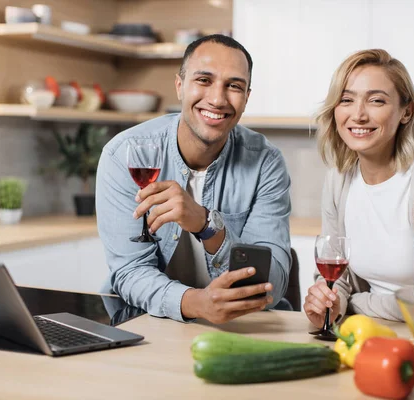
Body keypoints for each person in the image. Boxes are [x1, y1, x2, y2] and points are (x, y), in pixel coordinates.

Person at [96, 34, 292, 324]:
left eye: (234, 86)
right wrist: (195, 303)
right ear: (180, 86)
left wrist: (206, 225)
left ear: (247, 98)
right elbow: (130, 272)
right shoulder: (124, 154)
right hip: (147, 323)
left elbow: (270, 287)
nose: (217, 98)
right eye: (204, 80)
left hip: (242, 325)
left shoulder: (265, 163)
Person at [304, 49, 414, 326]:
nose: (358, 115)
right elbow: (336, 276)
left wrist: (352, 304)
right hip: (382, 329)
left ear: (406, 112)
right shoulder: (338, 179)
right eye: (346, 99)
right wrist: (330, 301)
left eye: (376, 101)